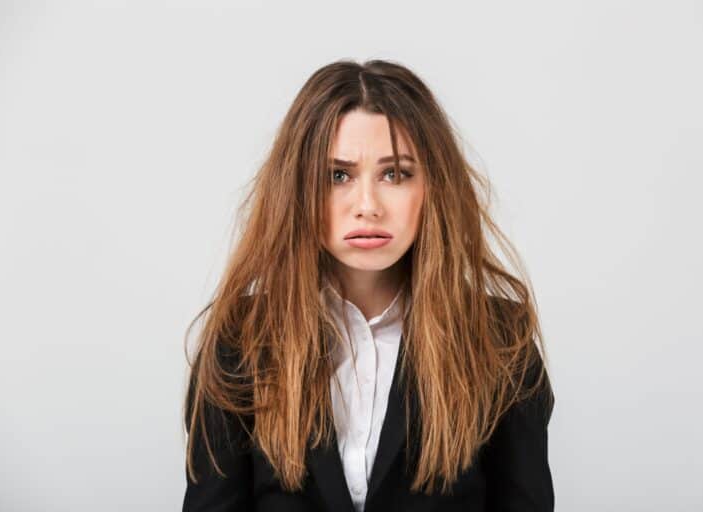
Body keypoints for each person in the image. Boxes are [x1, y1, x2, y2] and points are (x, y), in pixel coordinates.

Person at [182, 59, 555, 512]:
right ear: (297, 189)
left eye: (394, 174)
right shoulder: (240, 340)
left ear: (432, 187)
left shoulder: (501, 343)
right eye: (337, 175)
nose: (367, 206)